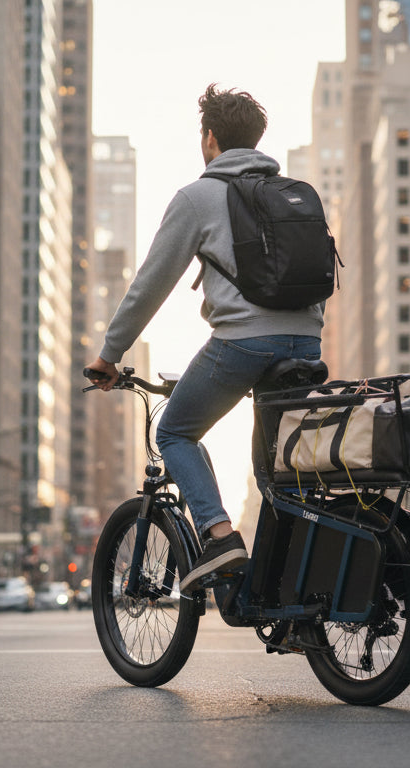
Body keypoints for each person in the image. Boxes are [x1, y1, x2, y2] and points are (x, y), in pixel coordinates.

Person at [86, 84, 324, 594]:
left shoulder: (198, 197)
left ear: (210, 138)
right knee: (276, 472)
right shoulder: (296, 195)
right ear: (258, 140)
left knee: (175, 431)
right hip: (307, 344)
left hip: (243, 344)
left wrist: (111, 354)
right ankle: (287, 587)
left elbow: (151, 282)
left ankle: (218, 536)